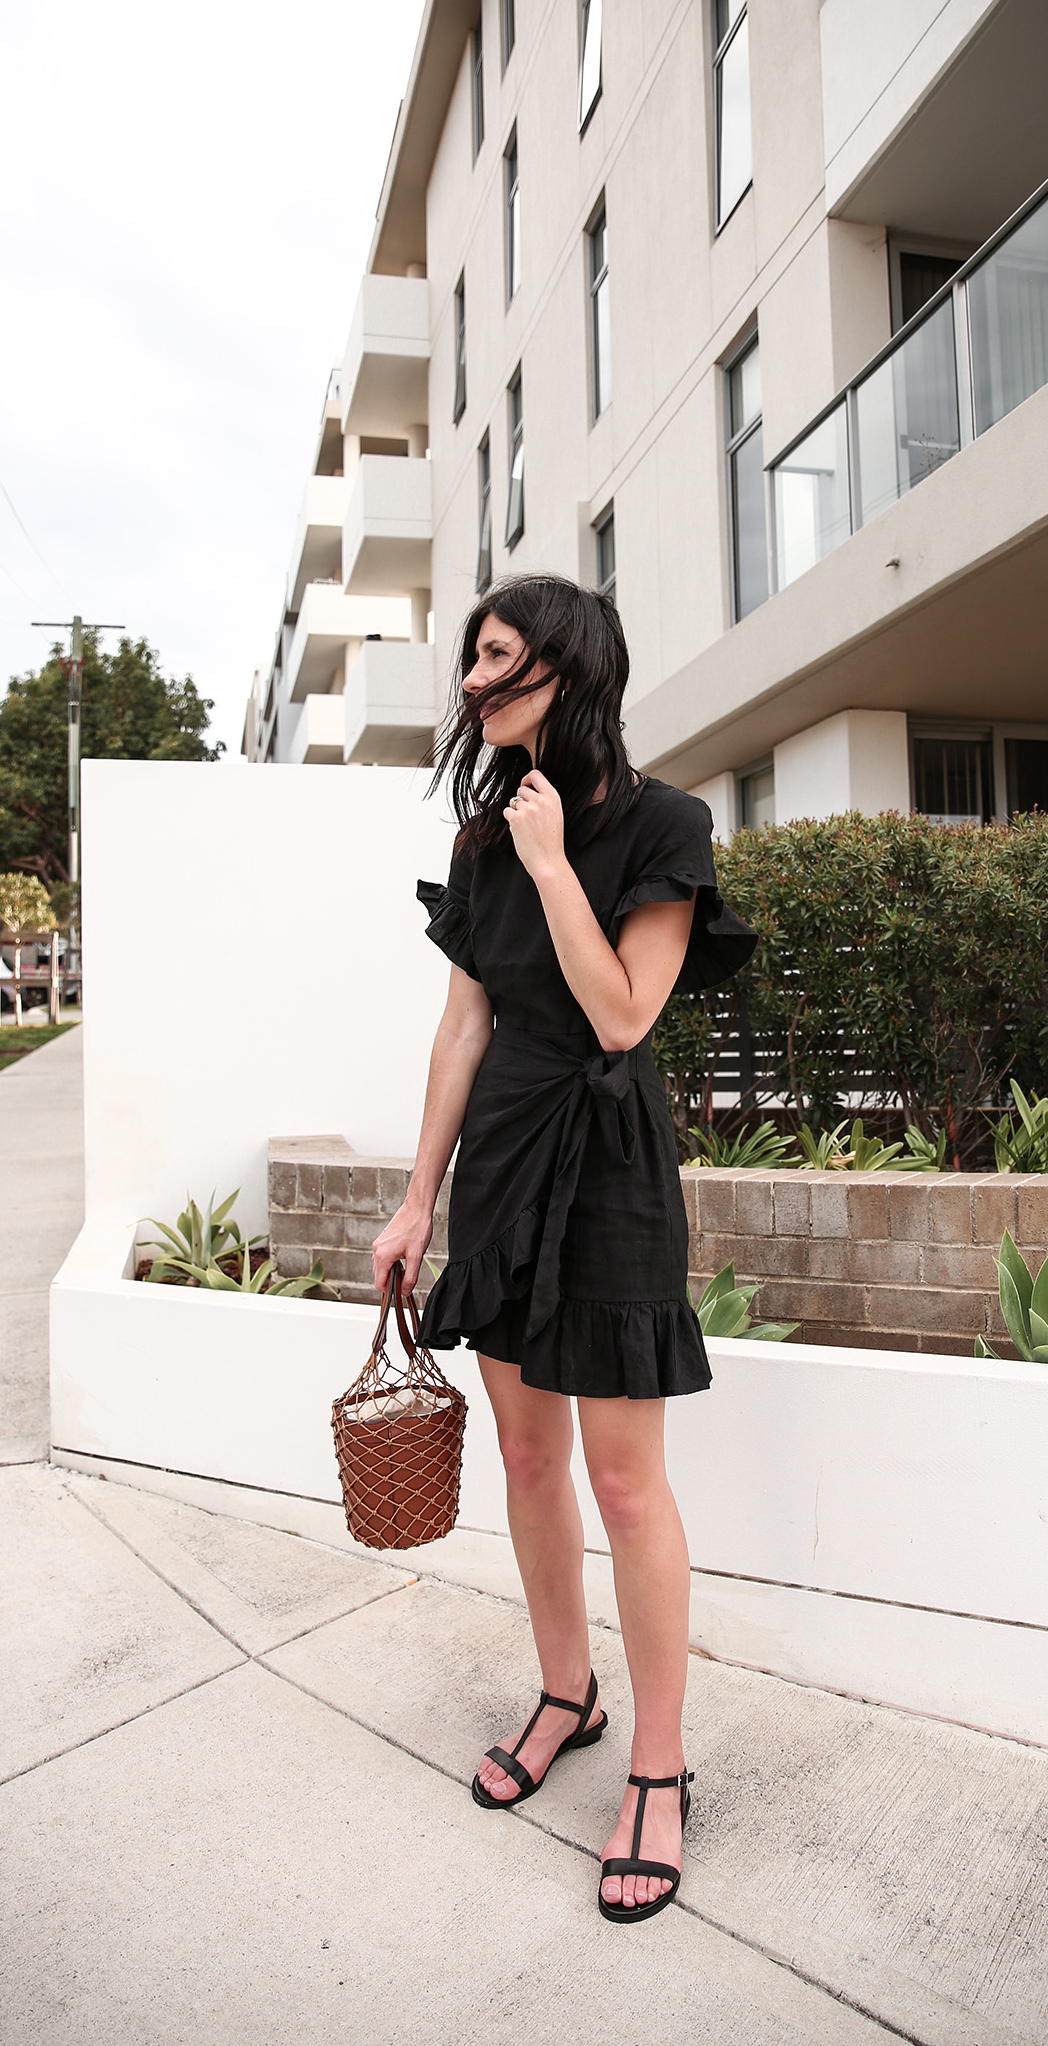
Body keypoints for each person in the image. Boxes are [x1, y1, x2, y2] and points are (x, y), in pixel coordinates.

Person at [372, 574, 756, 1924]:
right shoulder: (481, 841)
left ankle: (657, 1762)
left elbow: (623, 1016)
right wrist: (419, 1199)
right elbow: (463, 1028)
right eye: (470, 659)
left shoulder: (663, 824)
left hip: (607, 1167)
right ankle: (565, 1694)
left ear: (564, 666)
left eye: (495, 656)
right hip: (501, 1163)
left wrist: (550, 863)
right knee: (528, 1456)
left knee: (625, 1481)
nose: (473, 682)